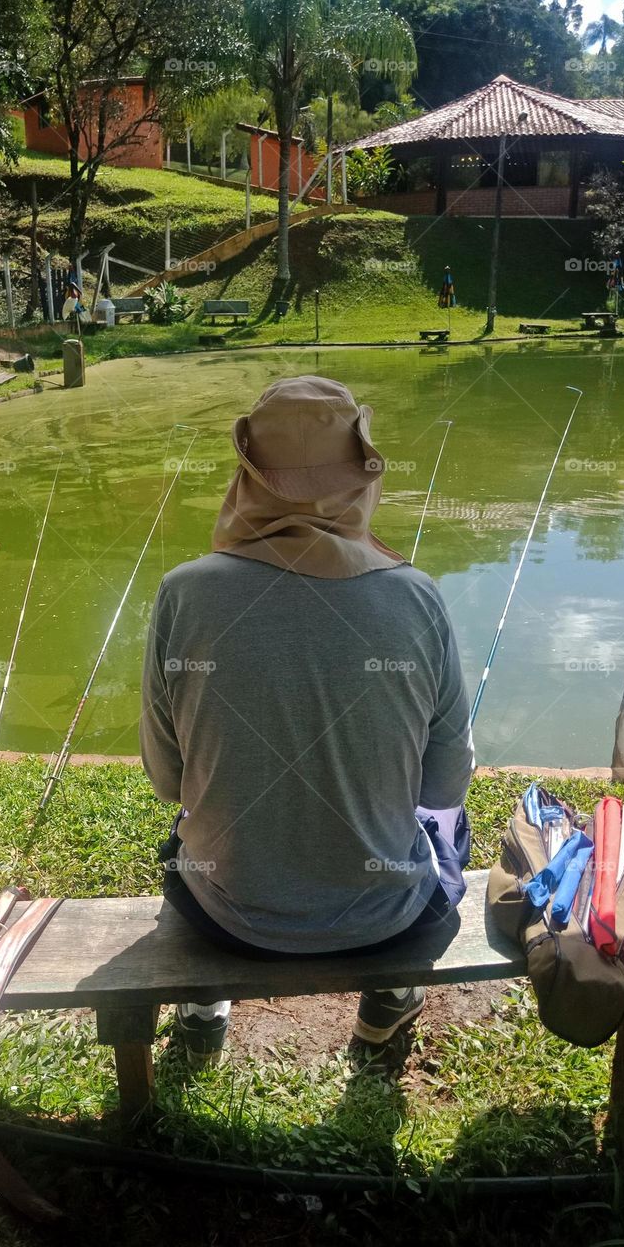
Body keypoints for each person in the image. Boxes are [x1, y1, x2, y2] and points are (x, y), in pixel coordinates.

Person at [139, 376, 473, 1066]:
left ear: (248, 478)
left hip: (225, 920)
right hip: (388, 922)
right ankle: (389, 998)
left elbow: (169, 783)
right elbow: (443, 788)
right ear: (361, 480)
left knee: (190, 837)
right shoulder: (418, 597)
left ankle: (203, 1008)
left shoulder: (183, 593)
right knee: (451, 827)